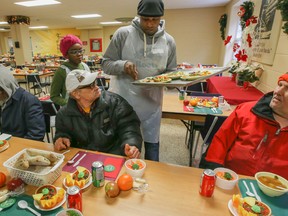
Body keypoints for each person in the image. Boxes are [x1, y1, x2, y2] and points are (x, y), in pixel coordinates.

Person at [101, 0, 177, 161]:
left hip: (151, 104)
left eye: (154, 20)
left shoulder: (169, 41)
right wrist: (123, 65)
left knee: (151, 149)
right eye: (145, 19)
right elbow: (106, 64)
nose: (150, 24)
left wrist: (170, 80)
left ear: (161, 18)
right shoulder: (123, 34)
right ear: (139, 17)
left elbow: (171, 71)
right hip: (122, 103)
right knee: (121, 148)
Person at [201, 73, 288, 179]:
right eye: (279, 85)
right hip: (232, 181)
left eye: (287, 89)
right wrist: (214, 171)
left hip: (276, 191)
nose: (278, 91)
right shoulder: (245, 111)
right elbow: (220, 142)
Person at [54, 69, 143, 158]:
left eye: (95, 82)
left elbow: (129, 126)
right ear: (76, 94)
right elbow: (62, 132)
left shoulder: (115, 102)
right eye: (90, 85)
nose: (97, 87)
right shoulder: (64, 115)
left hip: (113, 156)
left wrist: (131, 144)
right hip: (84, 159)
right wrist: (62, 138)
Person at [0, 65, 45, 141]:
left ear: (6, 87)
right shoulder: (3, 99)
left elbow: (36, 134)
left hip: (20, 144)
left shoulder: (29, 101)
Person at [50, 34, 90, 106]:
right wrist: (69, 105)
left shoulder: (85, 67)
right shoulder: (61, 71)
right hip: (70, 110)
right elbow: (54, 96)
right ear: (66, 54)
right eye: (74, 52)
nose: (79, 54)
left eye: (80, 51)